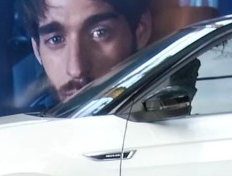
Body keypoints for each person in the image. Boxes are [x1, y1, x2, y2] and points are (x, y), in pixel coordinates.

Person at [19, 0, 152, 102]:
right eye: (55, 39)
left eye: (100, 33)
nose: (76, 70)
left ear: (140, 32)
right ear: (37, 50)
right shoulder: (24, 126)